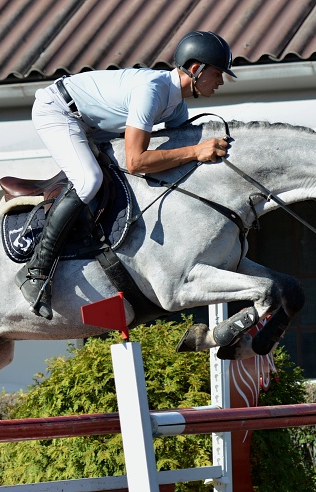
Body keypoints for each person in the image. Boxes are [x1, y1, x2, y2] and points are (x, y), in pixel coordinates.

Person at [17, 30, 236, 319]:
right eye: (218, 73)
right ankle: (37, 270)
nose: (221, 81)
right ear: (196, 70)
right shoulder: (152, 91)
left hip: (94, 123)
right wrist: (197, 151)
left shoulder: (176, 105)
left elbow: (177, 155)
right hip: (60, 111)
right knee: (89, 180)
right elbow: (137, 161)